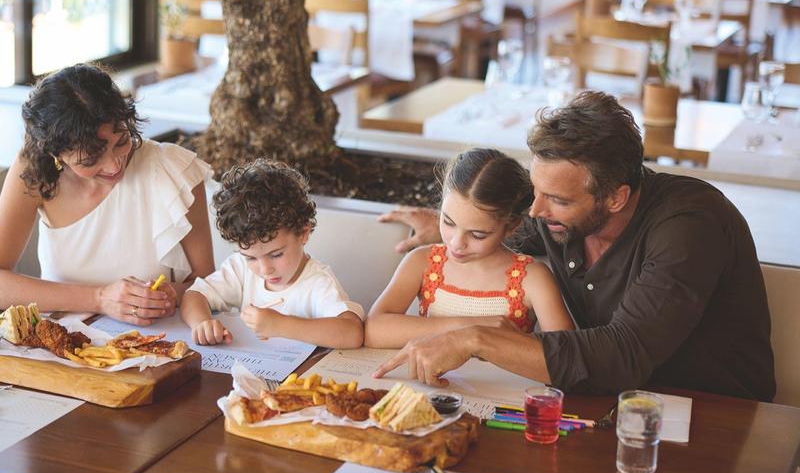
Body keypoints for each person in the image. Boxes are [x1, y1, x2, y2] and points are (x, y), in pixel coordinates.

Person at [374, 91, 775, 402]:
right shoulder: (555, 215)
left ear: (615, 198)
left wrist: (475, 338)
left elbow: (623, 353)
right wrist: (449, 225)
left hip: (710, 411)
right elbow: (500, 232)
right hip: (603, 402)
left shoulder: (690, 225)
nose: (535, 209)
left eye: (558, 200)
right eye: (536, 190)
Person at [0, 64, 215, 324]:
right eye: (90, 160)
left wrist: (171, 294)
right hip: (62, 346)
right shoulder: (33, 171)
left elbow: (207, 283)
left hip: (158, 343)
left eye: (122, 141)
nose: (114, 166)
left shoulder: (174, 169)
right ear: (56, 155)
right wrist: (100, 298)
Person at [366, 148, 574, 348]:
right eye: (448, 222)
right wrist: (469, 326)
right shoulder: (422, 262)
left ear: (511, 227)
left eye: (477, 234)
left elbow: (567, 355)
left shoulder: (532, 278)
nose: (457, 243)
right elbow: (374, 330)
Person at [181, 158, 364, 348]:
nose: (265, 269)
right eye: (251, 257)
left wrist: (281, 325)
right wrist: (202, 324)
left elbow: (352, 333)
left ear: (303, 233)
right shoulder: (241, 269)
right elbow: (193, 295)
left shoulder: (318, 283)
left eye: (276, 255)